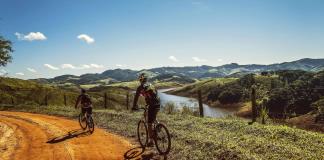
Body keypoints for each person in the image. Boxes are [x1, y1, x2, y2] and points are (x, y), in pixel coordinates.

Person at [132, 73, 160, 147]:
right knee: (153, 115)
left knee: (149, 124)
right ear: (146, 79)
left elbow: (136, 98)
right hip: (158, 104)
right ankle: (158, 125)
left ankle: (151, 142)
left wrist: (134, 106)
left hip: (152, 105)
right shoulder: (151, 85)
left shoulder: (140, 87)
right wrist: (148, 103)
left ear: (140, 80)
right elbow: (156, 94)